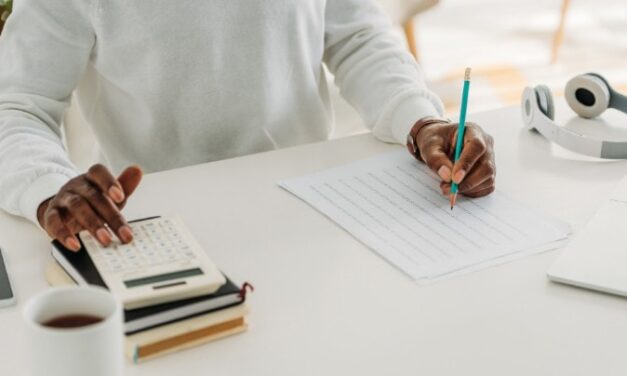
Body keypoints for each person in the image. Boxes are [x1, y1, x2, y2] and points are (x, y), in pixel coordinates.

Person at [0, 1, 495, 252]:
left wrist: (419, 119)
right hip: (152, 232)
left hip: (312, 213)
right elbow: (17, 104)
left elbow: (356, 38)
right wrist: (48, 190)